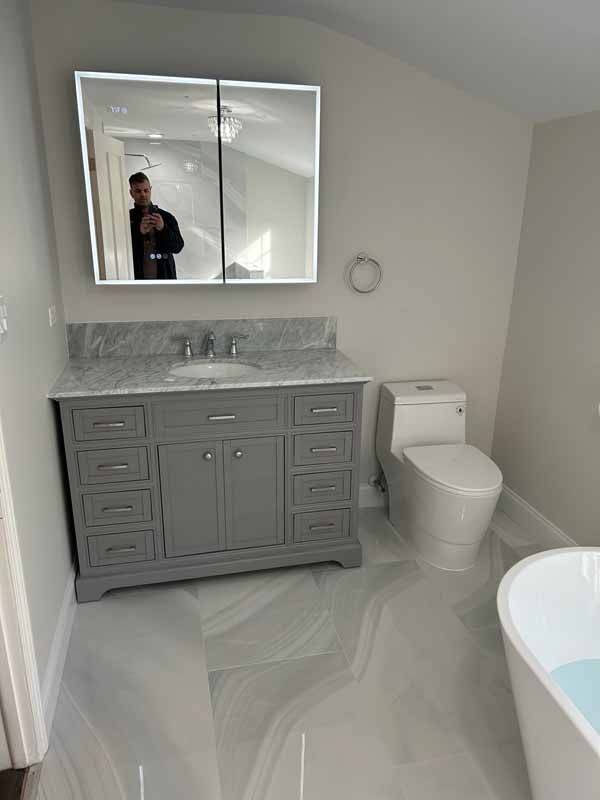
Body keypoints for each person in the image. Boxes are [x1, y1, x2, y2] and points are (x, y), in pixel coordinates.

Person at [129, 172, 184, 280]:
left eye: (146, 190)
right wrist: (138, 231)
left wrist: (163, 229)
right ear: (131, 193)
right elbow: (118, 252)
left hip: (165, 280)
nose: (143, 194)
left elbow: (178, 247)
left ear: (150, 190)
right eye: (138, 191)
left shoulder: (166, 217)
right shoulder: (125, 219)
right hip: (136, 281)